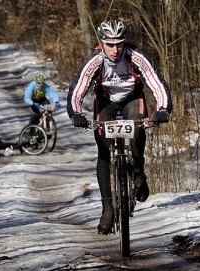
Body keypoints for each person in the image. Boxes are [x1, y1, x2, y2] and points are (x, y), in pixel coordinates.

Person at [67, 19, 172, 234]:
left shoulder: (135, 56)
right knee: (104, 151)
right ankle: (107, 209)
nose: (115, 50)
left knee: (137, 128)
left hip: (132, 98)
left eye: (119, 44)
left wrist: (163, 108)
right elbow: (79, 87)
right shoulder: (95, 60)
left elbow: (156, 81)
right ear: (102, 43)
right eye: (110, 44)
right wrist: (75, 113)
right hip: (105, 101)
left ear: (124, 43)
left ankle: (138, 172)